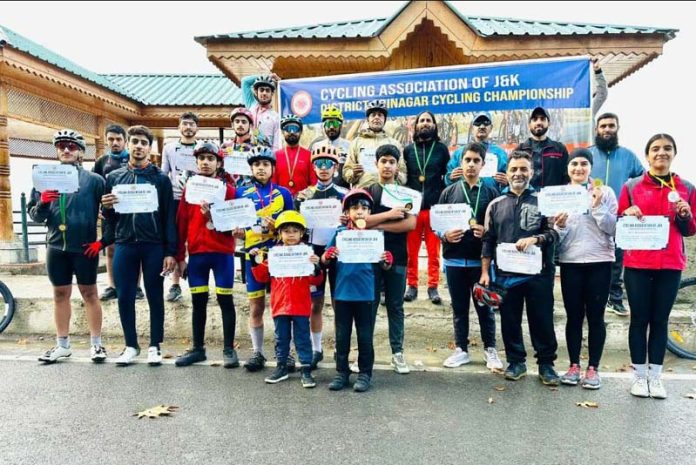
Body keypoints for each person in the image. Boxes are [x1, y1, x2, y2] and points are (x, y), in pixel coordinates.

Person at [618, 134, 696, 399]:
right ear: (647, 155)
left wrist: (686, 215)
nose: (661, 153)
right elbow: (619, 221)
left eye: (667, 148)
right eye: (655, 149)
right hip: (638, 263)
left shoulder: (686, 187)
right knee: (639, 319)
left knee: (660, 320)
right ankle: (639, 376)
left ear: (674, 153)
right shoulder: (631, 186)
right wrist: (626, 213)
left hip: (671, 263)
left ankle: (656, 377)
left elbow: (690, 230)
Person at [480, 151, 560, 385]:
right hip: (506, 276)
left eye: (523, 169)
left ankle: (546, 364)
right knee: (510, 319)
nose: (518, 173)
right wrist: (485, 272)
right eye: (514, 169)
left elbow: (554, 233)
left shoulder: (543, 201)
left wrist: (536, 239)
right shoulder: (495, 204)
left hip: (538, 274)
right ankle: (516, 361)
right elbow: (488, 240)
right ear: (507, 173)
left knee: (542, 319)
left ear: (531, 172)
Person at [101, 125, 177, 366]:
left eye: (144, 143)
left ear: (149, 147)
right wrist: (106, 208)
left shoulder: (161, 179)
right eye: (135, 141)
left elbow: (168, 217)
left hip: (153, 244)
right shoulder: (113, 178)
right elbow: (110, 218)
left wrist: (170, 251)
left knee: (155, 295)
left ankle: (155, 345)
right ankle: (131, 345)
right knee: (124, 296)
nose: (139, 146)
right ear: (128, 144)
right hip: (125, 243)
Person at [29, 129, 107, 363]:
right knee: (60, 294)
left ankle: (97, 345)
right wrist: (42, 203)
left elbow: (109, 214)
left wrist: (101, 242)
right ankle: (62, 344)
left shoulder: (94, 181)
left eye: (71, 146)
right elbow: (35, 216)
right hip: (56, 247)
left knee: (90, 293)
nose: (65, 150)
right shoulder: (42, 179)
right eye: (61, 145)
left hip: (85, 247)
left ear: (81, 152)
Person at [435, 142, 503, 370]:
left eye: (476, 161)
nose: (471, 165)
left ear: (483, 164)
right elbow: (437, 226)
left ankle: (490, 349)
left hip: (480, 261)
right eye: (468, 160)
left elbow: (498, 228)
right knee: (459, 307)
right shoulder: (448, 192)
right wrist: (444, 234)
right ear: (461, 163)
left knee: (485, 307)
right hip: (454, 259)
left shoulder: (492, 192)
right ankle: (461, 349)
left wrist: (486, 232)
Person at [554, 148, 617, 390]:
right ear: (567, 168)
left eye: (583, 164)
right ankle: (573, 365)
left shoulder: (605, 192)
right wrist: (559, 226)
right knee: (573, 316)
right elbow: (556, 237)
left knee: (595, 317)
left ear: (591, 168)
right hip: (570, 263)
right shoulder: (560, 195)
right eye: (574, 164)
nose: (578, 168)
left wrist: (598, 207)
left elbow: (613, 228)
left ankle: (593, 368)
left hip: (600, 261)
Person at [174, 142, 239, 368]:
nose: (205, 162)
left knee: (225, 300)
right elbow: (181, 223)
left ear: (219, 163)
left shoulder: (229, 190)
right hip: (198, 254)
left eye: (210, 159)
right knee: (198, 301)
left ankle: (229, 349)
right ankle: (198, 349)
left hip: (222, 254)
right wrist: (180, 257)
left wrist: (214, 215)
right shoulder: (189, 188)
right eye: (201, 158)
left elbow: (235, 223)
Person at [321, 189, 393, 392]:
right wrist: (328, 255)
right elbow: (323, 261)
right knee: (342, 335)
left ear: (370, 212)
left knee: (365, 336)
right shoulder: (339, 234)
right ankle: (341, 372)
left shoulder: (375, 236)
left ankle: (364, 374)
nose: (359, 212)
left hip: (367, 294)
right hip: (343, 294)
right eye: (354, 208)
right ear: (347, 212)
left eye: (364, 208)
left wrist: (387, 260)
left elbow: (384, 265)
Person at [233, 146, 294, 372]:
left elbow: (294, 227)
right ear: (251, 168)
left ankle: (287, 353)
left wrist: (277, 226)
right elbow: (234, 224)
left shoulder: (283, 194)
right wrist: (237, 232)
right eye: (257, 164)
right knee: (256, 306)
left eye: (265, 164)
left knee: (284, 308)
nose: (261, 168)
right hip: (253, 256)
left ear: (272, 168)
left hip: (280, 257)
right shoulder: (242, 194)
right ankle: (257, 352)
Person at [250, 211, 323, 388]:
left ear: (301, 234)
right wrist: (254, 261)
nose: (291, 235)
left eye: (295, 231)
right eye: (286, 231)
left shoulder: (307, 253)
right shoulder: (274, 254)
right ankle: (281, 367)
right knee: (281, 338)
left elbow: (316, 281)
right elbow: (261, 277)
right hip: (280, 304)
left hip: (300, 305)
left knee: (302, 337)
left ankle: (306, 369)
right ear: (279, 233)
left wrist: (316, 266)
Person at [294, 145, 348, 369]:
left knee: (338, 304)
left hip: (337, 252)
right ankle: (316, 349)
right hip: (313, 254)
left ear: (336, 167)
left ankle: (339, 348)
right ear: (313, 167)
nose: (323, 168)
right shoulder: (304, 195)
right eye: (319, 164)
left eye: (328, 164)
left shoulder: (345, 195)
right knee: (314, 303)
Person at [365, 144, 417, 374]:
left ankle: (397, 353)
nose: (387, 165)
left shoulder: (405, 194)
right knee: (370, 305)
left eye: (391, 162)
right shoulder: (367, 192)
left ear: (397, 166)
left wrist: (379, 225)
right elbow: (360, 222)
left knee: (395, 306)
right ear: (376, 164)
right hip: (369, 257)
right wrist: (389, 217)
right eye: (383, 161)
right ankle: (366, 354)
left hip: (398, 258)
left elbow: (410, 223)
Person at [589, 112, 644, 317]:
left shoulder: (628, 155)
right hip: (590, 215)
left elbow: (642, 179)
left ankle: (615, 298)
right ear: (597, 130)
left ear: (617, 129)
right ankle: (593, 299)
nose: (607, 129)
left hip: (619, 215)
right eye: (603, 126)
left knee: (616, 259)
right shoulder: (588, 154)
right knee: (593, 258)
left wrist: (632, 202)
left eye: (611, 126)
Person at [93, 124, 145, 301]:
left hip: (132, 212)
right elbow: (97, 186)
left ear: (125, 141)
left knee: (136, 250)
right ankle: (112, 286)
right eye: (111, 139)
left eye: (118, 139)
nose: (115, 143)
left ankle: (137, 287)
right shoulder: (102, 161)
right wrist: (98, 207)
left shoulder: (133, 159)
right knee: (111, 249)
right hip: (110, 213)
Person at [402, 111, 449, 304]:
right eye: (421, 120)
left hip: (433, 207)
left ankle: (432, 286)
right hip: (412, 209)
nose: (425, 123)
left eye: (428, 120)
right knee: (410, 251)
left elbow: (447, 177)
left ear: (434, 125)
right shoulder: (408, 150)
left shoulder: (441, 149)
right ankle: (411, 285)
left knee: (433, 250)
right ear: (416, 126)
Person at [161, 112, 200, 302]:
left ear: (197, 128)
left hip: (197, 199)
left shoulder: (202, 148)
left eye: (192, 124)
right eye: (185, 124)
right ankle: (175, 284)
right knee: (176, 241)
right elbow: (163, 174)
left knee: (196, 239)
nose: (188, 127)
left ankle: (197, 282)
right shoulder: (169, 148)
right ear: (179, 127)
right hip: (176, 198)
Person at [343, 100, 406, 188]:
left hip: (387, 193)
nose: (376, 117)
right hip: (364, 192)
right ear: (367, 119)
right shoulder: (356, 142)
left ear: (384, 119)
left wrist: (397, 174)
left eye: (380, 115)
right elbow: (346, 173)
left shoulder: (394, 144)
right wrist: (353, 173)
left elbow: (404, 177)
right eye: (373, 115)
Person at [445, 112, 508, 188]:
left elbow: (509, 180)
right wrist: (450, 178)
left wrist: (507, 182)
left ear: (491, 128)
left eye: (486, 123)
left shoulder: (500, 153)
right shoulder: (459, 153)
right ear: (472, 128)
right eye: (477, 123)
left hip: (493, 198)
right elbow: (447, 180)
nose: (482, 126)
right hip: (465, 197)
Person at [515, 107, 569, 189]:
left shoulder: (560, 149)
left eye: (543, 119)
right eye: (535, 119)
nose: (539, 122)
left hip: (553, 199)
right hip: (527, 199)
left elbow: (567, 177)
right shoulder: (520, 150)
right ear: (529, 124)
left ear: (549, 123)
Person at [273, 114, 316, 196]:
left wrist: (305, 195)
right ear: (282, 132)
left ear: (300, 132)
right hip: (281, 202)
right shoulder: (275, 156)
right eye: (288, 129)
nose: (292, 132)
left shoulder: (309, 155)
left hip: (303, 202)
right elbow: (273, 184)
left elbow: (314, 183)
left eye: (295, 129)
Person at [309, 104, 350, 188]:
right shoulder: (316, 146)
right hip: (321, 192)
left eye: (334, 123)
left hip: (343, 192)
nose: (331, 127)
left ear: (340, 125)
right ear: (324, 126)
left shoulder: (349, 145)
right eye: (328, 124)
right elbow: (311, 171)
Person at [241, 73, 282, 151]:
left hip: (264, 158)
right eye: (261, 90)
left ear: (272, 93)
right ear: (256, 92)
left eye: (267, 90)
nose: (264, 93)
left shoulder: (276, 117)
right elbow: (245, 81)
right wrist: (267, 76)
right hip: (247, 154)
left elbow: (276, 146)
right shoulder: (251, 106)